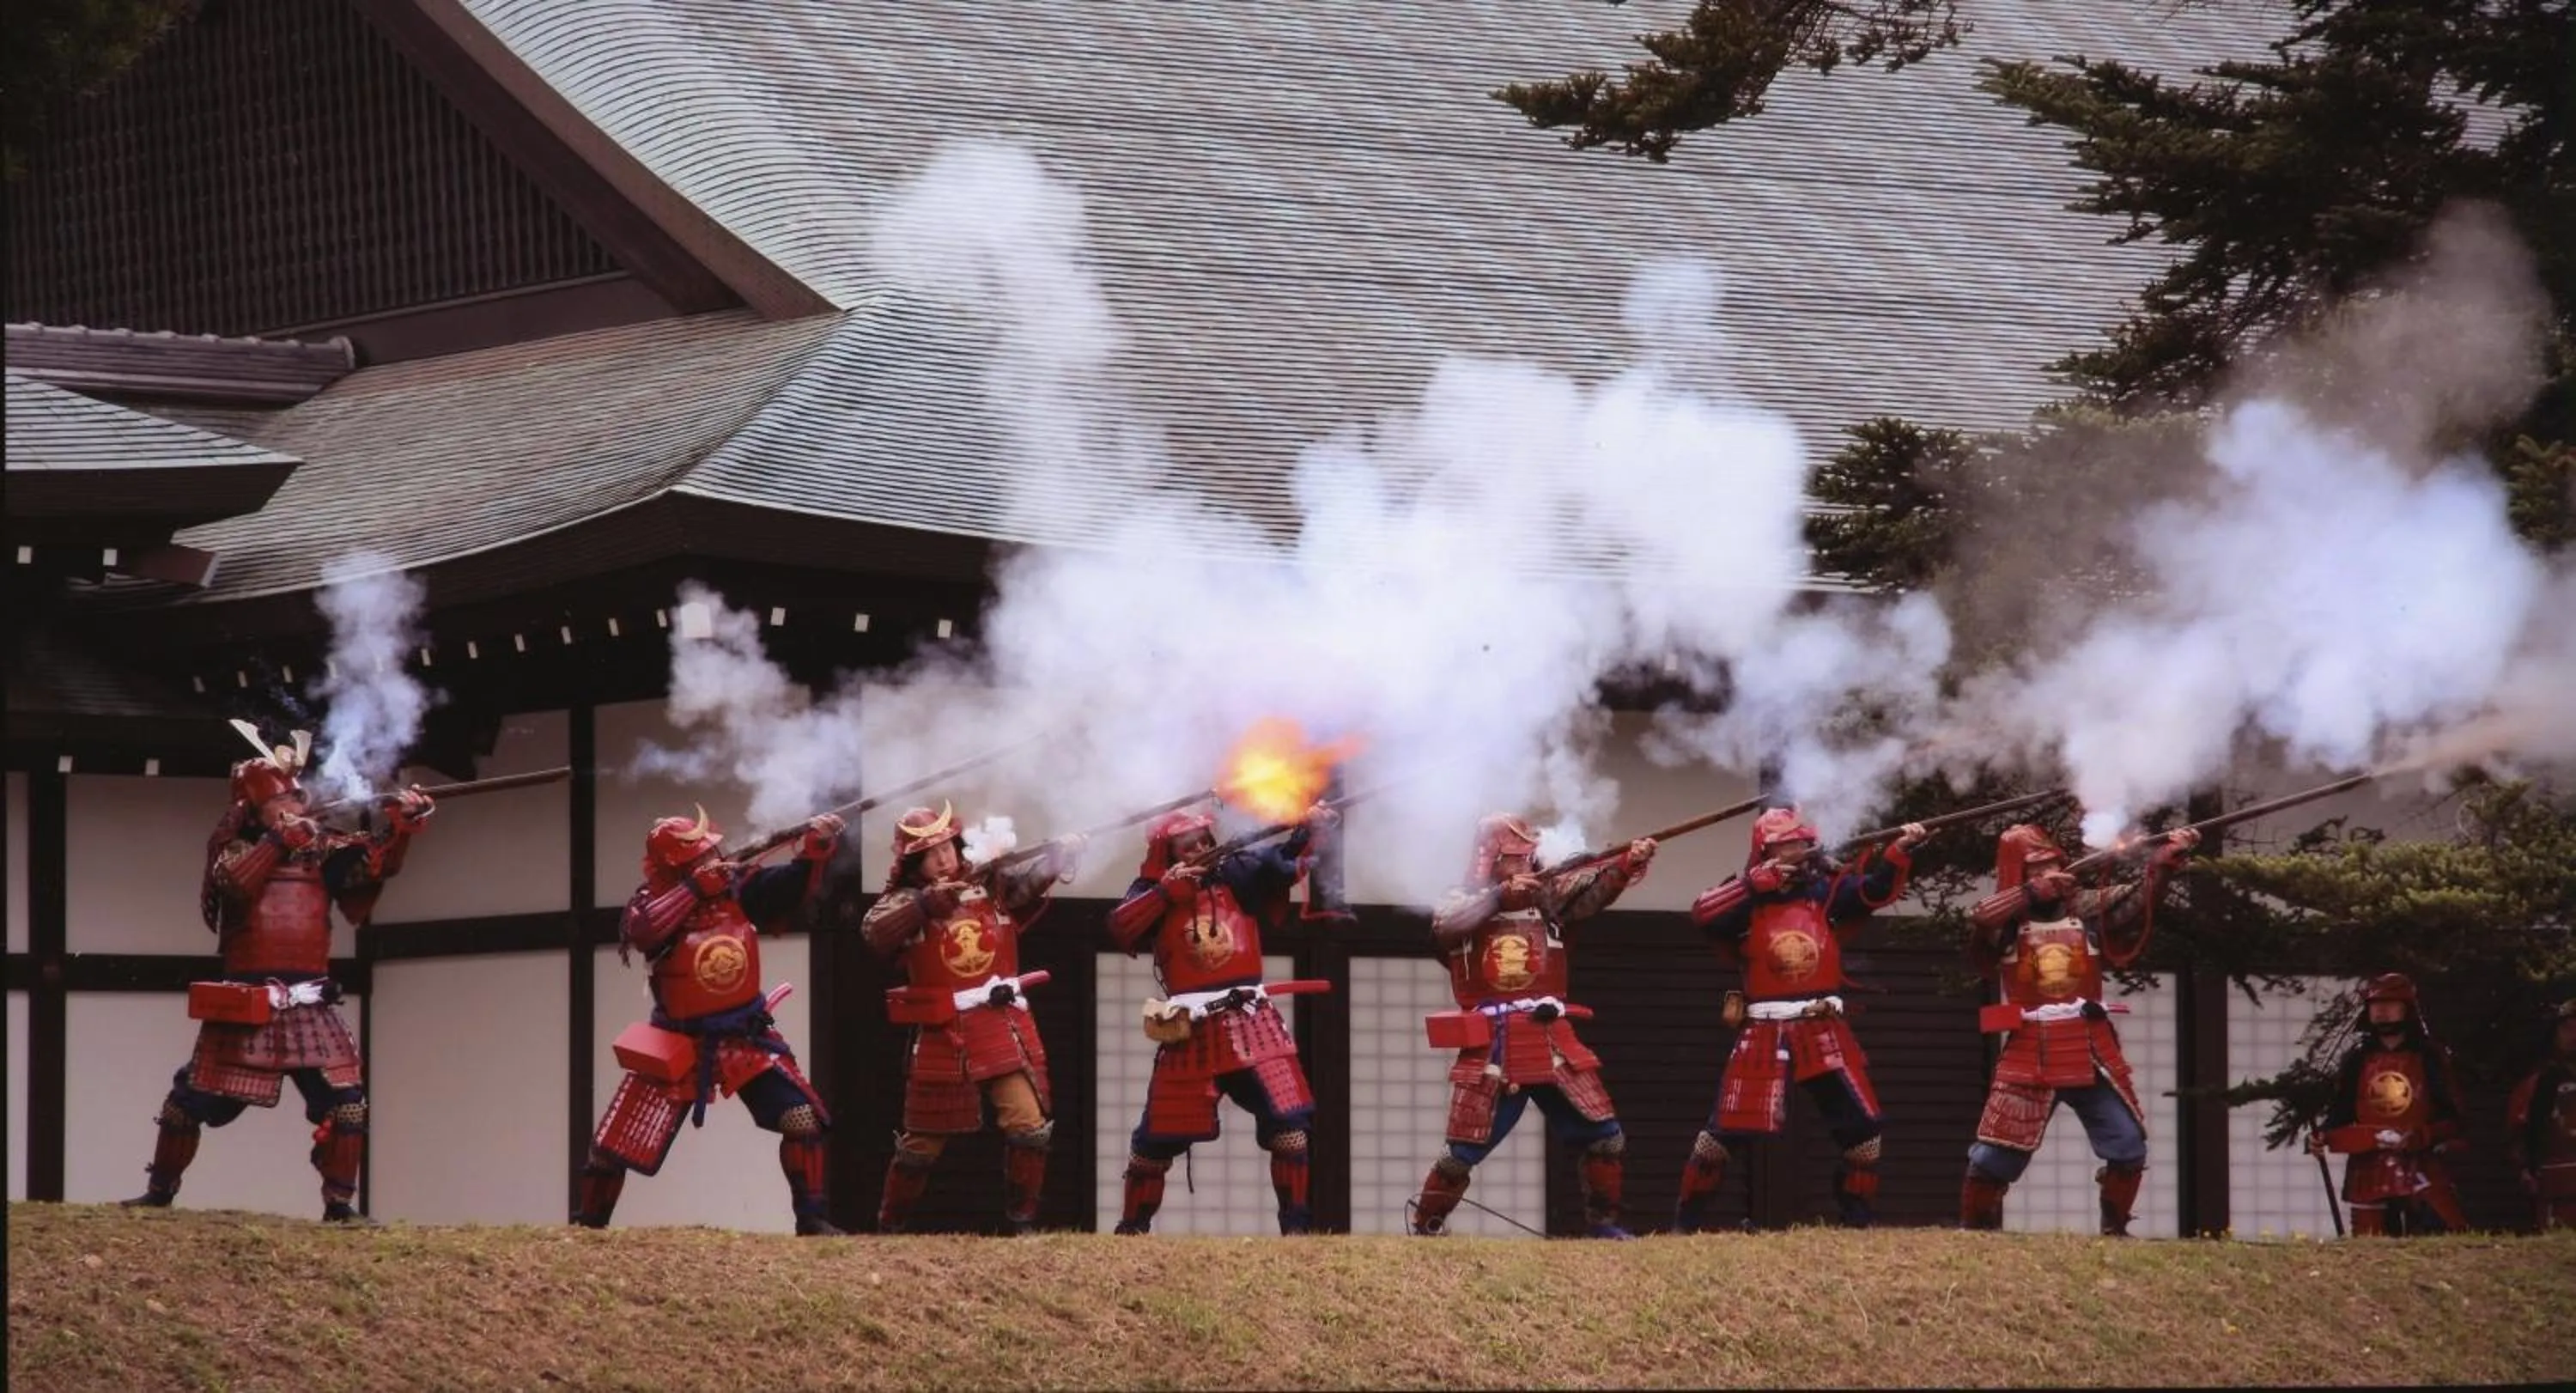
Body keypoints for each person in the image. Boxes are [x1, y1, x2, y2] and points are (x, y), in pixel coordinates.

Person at [124, 725, 431, 1221]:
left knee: (348, 1105)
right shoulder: (233, 851)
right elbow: (236, 886)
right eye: (281, 800)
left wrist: (401, 827)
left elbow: (373, 868)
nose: (293, 806)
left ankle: (339, 1206)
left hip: (310, 1006)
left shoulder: (321, 851)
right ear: (252, 809)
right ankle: (159, 1193)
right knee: (187, 1103)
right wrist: (278, 840)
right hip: (248, 1007)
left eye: (295, 798)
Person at [574, 806, 844, 1235]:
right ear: (674, 866)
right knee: (610, 1147)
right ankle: (589, 1226)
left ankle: (811, 1220)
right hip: (678, 1040)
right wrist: (695, 889)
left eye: (710, 852)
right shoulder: (649, 901)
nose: (711, 859)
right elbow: (644, 932)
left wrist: (814, 851)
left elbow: (785, 889)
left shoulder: (738, 887)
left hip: (744, 1036)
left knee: (801, 1119)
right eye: (698, 857)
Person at [1676, 807, 1925, 1231]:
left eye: (1801, 842)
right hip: (1765, 1028)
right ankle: (1686, 1225)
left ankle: (1857, 1222)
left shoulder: (1824, 889)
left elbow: (1873, 890)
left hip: (1821, 1025)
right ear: (1765, 851)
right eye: (1786, 845)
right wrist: (1753, 886)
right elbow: (1703, 914)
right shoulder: (1744, 896)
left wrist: (1898, 851)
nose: (1797, 850)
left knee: (1864, 1134)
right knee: (1720, 1137)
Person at [1406, 813, 1654, 1238]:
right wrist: (1499, 898)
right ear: (1489, 859)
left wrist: (1627, 863)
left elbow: (1593, 892)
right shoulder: (1460, 898)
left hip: (1550, 1034)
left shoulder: (1549, 895)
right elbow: (1445, 930)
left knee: (1606, 1136)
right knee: (1461, 1152)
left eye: (1526, 856)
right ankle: (1427, 1225)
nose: (1523, 864)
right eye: (1513, 857)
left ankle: (1603, 1226)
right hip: (1494, 1041)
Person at [1105, 802, 1335, 1235]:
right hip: (1190, 1030)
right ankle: (1132, 1229)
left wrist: (1308, 831)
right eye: (1186, 845)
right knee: (1153, 1145)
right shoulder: (1150, 888)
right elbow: (1121, 927)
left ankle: (1296, 1230)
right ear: (1167, 854)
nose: (1199, 850)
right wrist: (1165, 893)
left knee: (1290, 1129)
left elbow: (1282, 863)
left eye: (1204, 841)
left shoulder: (1237, 871)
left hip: (1252, 1023)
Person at [1959, 821, 2197, 1236]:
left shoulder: (2084, 909)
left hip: (2089, 1046)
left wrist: (2163, 864)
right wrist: (2031, 894)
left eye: (2052, 865)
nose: (2049, 873)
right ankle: (1975, 1230)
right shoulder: (2007, 922)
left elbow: (2135, 901)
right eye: (2036, 869)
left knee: (2128, 1144)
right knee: (1996, 1157)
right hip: (2030, 1048)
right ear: (2019, 875)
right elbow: (1981, 917)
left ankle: (2115, 1229)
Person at [863, 803, 1083, 1234]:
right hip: (945, 1029)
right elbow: (874, 933)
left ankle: (1022, 1221)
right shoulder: (903, 899)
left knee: (1029, 1127)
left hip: (999, 1019)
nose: (943, 859)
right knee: (921, 1145)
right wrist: (925, 906)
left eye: (947, 848)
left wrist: (1060, 855)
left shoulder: (990, 882)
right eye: (931, 854)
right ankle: (890, 1225)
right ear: (913, 863)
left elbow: (1028, 885)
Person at [2308, 971, 2468, 1237]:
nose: (2381, 1011)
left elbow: (2454, 1117)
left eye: (2390, 1004)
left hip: (2421, 1165)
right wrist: (2322, 1135)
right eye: (2375, 1004)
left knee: (2438, 1239)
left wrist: (2424, 1135)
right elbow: (2341, 1111)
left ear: (2407, 1008)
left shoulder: (2429, 1056)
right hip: (2367, 1169)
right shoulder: (2357, 1059)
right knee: (2370, 1247)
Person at [2506, 998, 2576, 1232]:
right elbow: (2520, 1131)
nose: (2574, 1036)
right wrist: (2526, 1168)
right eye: (2568, 1028)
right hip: (2556, 1186)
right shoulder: (2539, 1083)